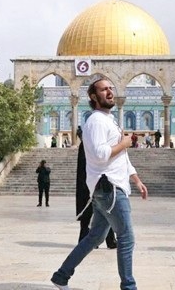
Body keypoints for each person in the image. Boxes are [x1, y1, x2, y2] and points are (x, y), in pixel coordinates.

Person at [51, 79, 148, 290]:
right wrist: (124, 143)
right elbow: (100, 154)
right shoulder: (96, 121)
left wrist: (137, 180)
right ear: (94, 97)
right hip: (109, 187)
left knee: (94, 237)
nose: (110, 92)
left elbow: (121, 156)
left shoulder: (108, 120)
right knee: (126, 238)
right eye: (104, 89)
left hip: (109, 187)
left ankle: (61, 275)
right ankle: (129, 287)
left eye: (111, 88)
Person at [76, 132, 116, 248]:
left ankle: (106, 240)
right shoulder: (87, 146)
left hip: (93, 184)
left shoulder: (87, 145)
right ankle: (88, 240)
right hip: (92, 185)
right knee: (96, 213)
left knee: (104, 213)